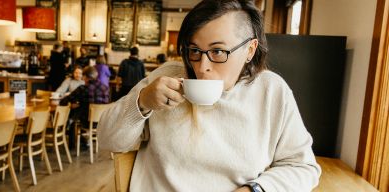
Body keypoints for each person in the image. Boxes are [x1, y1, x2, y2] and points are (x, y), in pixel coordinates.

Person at [99, 0, 321, 192]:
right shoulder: (166, 78)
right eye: (194, 51)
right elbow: (107, 140)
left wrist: (256, 189)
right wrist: (142, 102)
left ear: (250, 50)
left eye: (217, 51)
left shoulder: (271, 91)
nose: (201, 66)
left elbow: (303, 167)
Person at [60, 66, 110, 148]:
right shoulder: (105, 88)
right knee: (81, 110)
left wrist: (75, 103)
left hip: (87, 122)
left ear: (85, 77)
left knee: (73, 115)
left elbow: (64, 100)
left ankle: (73, 145)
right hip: (102, 121)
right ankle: (85, 141)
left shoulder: (83, 88)